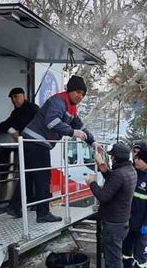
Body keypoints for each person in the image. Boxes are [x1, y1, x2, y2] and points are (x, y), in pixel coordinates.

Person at [21, 76, 94, 222]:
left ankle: (15, 207)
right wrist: (73, 132)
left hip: (32, 141)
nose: (80, 96)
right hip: (36, 141)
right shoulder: (59, 101)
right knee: (42, 178)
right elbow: (52, 122)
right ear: (70, 90)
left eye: (83, 94)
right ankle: (43, 214)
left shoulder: (70, 108)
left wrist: (93, 142)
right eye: (78, 92)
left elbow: (80, 126)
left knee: (27, 176)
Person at [87, 143, 137, 268]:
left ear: (116, 158)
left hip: (113, 223)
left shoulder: (119, 174)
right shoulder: (130, 170)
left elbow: (104, 195)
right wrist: (104, 169)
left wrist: (92, 183)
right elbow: (116, 184)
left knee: (114, 259)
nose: (110, 158)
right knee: (110, 255)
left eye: (111, 156)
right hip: (121, 221)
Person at [0, 87, 40, 216]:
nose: (14, 100)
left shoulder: (33, 109)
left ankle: (16, 206)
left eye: (16, 97)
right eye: (12, 98)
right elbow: (7, 124)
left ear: (23, 96)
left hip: (35, 146)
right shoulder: (16, 113)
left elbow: (36, 126)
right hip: (26, 146)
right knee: (29, 175)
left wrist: (21, 134)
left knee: (29, 175)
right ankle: (29, 203)